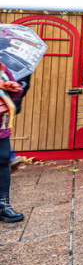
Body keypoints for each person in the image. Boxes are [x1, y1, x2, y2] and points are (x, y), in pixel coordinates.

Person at [0, 62, 25, 222]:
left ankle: (4, 206)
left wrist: (13, 87)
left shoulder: (2, 68)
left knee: (3, 160)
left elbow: (15, 95)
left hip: (1, 124)